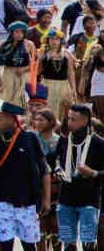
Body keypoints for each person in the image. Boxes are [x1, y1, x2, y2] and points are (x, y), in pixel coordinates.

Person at [0, 98, 51, 251]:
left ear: (12, 119)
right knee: (5, 245)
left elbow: (44, 170)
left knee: (29, 245)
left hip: (27, 201)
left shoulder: (29, 138)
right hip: (2, 200)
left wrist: (46, 199)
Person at [51, 104, 104, 251]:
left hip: (89, 199)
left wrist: (92, 173)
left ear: (85, 121)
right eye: (68, 118)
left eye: (74, 119)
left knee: (88, 243)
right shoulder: (62, 142)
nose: (69, 122)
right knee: (68, 243)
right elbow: (53, 160)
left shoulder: (98, 143)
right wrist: (57, 169)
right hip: (65, 198)